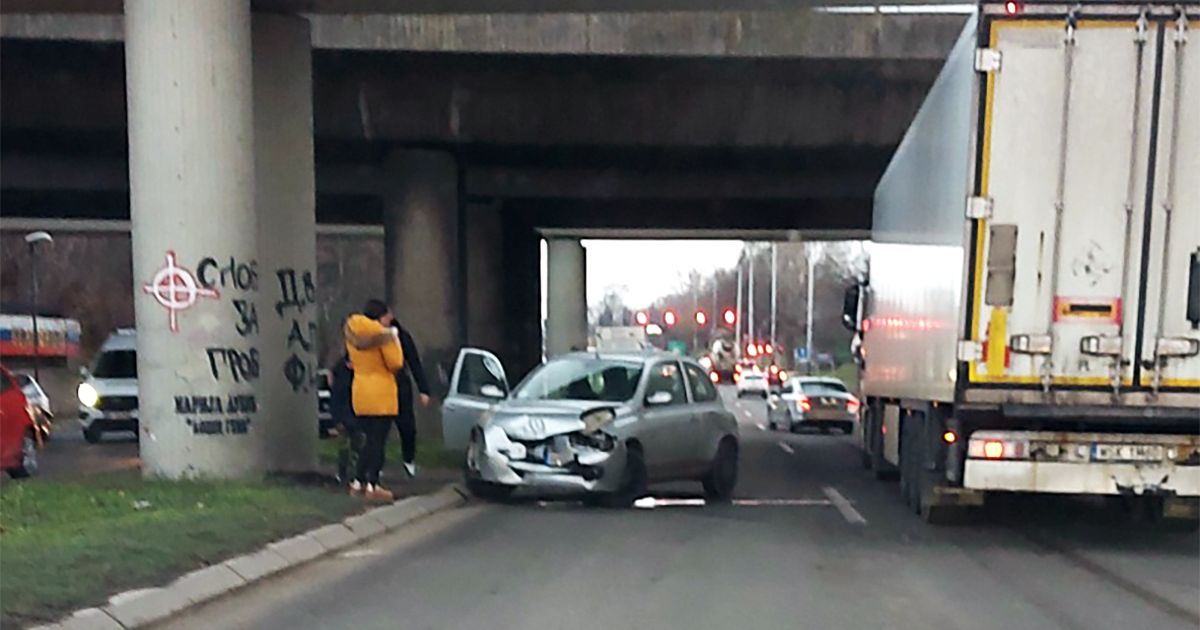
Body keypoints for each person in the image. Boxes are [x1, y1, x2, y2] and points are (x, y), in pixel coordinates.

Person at [344, 299, 404, 502]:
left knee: (368, 440)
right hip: (381, 394)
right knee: (378, 442)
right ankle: (372, 484)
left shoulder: (353, 331)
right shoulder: (385, 335)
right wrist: (394, 340)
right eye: (388, 315)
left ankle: (357, 482)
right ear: (380, 316)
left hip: (361, 392)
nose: (391, 319)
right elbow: (396, 363)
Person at [389, 320, 432, 479]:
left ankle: (408, 459)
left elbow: (414, 363)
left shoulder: (402, 336)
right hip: (380, 386)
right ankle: (374, 466)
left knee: (407, 426)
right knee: (378, 429)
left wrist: (424, 389)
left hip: (400, 386)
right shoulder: (371, 335)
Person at [327, 354, 362, 485]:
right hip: (345, 415)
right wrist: (337, 420)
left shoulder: (356, 376)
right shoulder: (342, 378)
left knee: (357, 446)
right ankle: (343, 473)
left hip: (356, 415)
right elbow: (336, 400)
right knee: (345, 446)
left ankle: (355, 474)